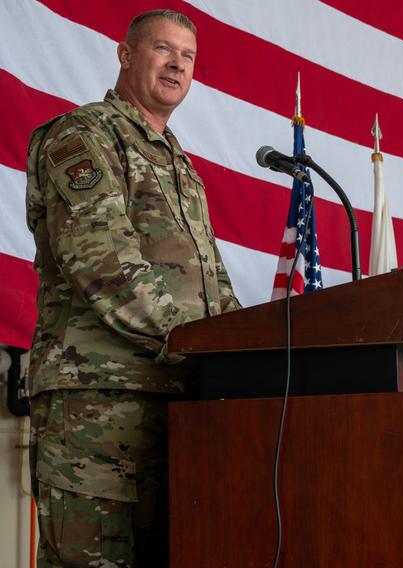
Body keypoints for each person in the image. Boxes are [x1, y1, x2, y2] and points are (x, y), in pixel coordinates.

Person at [25, 9, 240, 567]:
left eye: (187, 56)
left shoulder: (181, 168)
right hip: (98, 403)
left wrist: (248, 352)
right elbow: (104, 266)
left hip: (179, 404)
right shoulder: (83, 135)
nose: (176, 65)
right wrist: (204, 350)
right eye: (162, 50)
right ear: (125, 55)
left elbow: (214, 284)